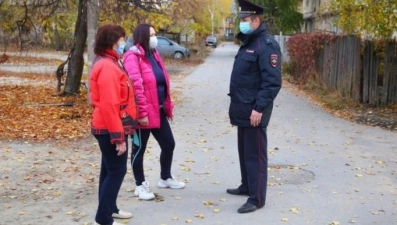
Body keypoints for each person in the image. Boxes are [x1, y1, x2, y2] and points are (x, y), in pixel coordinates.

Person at [226, 0, 282, 214]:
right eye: (241, 20)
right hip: (243, 109)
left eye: (246, 20)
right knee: (244, 151)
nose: (242, 24)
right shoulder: (250, 42)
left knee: (255, 154)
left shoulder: (266, 45)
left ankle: (257, 198)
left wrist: (259, 108)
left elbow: (272, 82)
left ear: (257, 20)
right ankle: (247, 185)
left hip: (255, 111)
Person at [123, 24, 185, 201]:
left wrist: (167, 104)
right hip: (142, 114)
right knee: (139, 149)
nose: (154, 38)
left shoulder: (154, 54)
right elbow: (136, 87)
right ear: (142, 36)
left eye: (155, 34)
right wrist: (141, 113)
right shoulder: (132, 57)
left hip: (158, 110)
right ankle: (139, 185)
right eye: (151, 35)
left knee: (169, 144)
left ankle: (165, 177)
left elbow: (161, 81)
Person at [90, 24, 136, 225]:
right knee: (116, 171)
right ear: (111, 41)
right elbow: (109, 104)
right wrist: (118, 137)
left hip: (109, 125)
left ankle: (110, 209)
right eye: (121, 40)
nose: (123, 43)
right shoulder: (107, 66)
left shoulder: (111, 61)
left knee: (108, 170)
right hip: (109, 127)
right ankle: (103, 218)